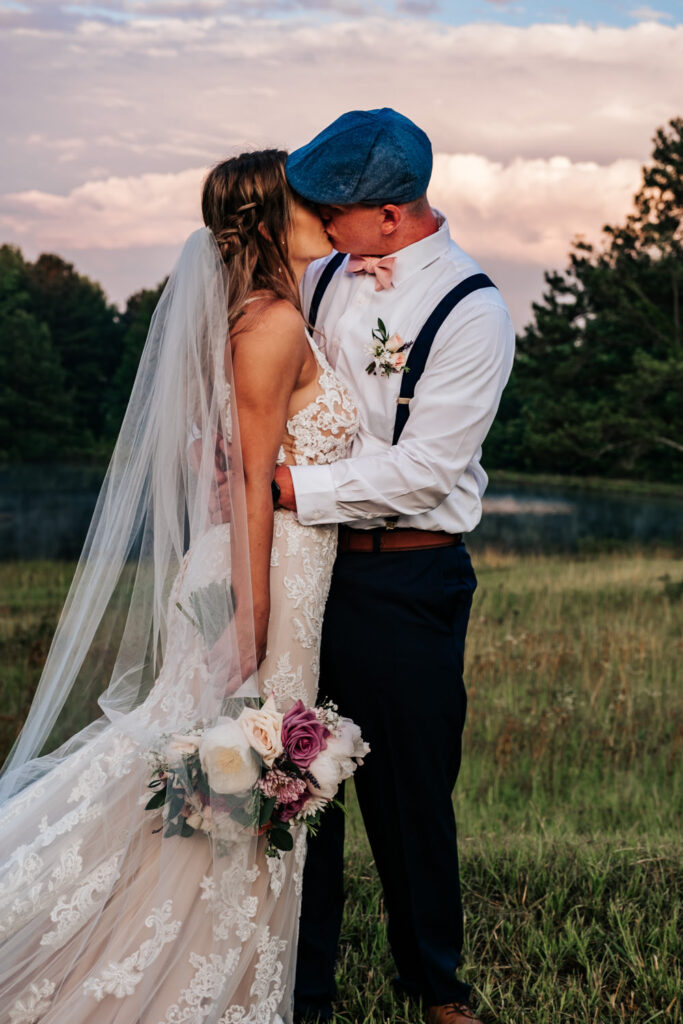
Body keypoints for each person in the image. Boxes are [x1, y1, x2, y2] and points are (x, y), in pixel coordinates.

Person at [0, 150, 358, 1024]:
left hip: (272, 572)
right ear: (272, 218)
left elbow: (223, 458)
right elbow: (244, 488)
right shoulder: (269, 324)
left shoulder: (275, 314)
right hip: (257, 577)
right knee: (224, 768)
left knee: (225, 774)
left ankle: (214, 973)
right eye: (304, 196)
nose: (323, 206)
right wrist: (254, 616)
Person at [273, 108, 515, 1024]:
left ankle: (436, 990)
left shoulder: (471, 308)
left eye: (334, 208)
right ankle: (303, 991)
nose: (320, 222)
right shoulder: (323, 272)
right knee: (293, 779)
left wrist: (290, 489)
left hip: (410, 581)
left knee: (411, 793)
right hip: (309, 570)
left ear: (390, 215)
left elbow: (425, 473)